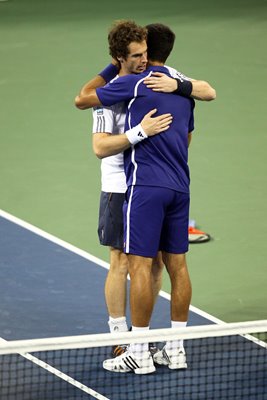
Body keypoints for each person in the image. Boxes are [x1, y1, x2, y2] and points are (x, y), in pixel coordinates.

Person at [75, 22, 215, 374]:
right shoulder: (183, 91)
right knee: (151, 264)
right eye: (133, 55)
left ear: (149, 51)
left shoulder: (137, 82)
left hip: (143, 187)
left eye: (142, 53)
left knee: (139, 265)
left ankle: (138, 350)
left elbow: (82, 97)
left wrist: (141, 136)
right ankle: (159, 346)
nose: (139, 59)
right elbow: (197, 115)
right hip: (172, 185)